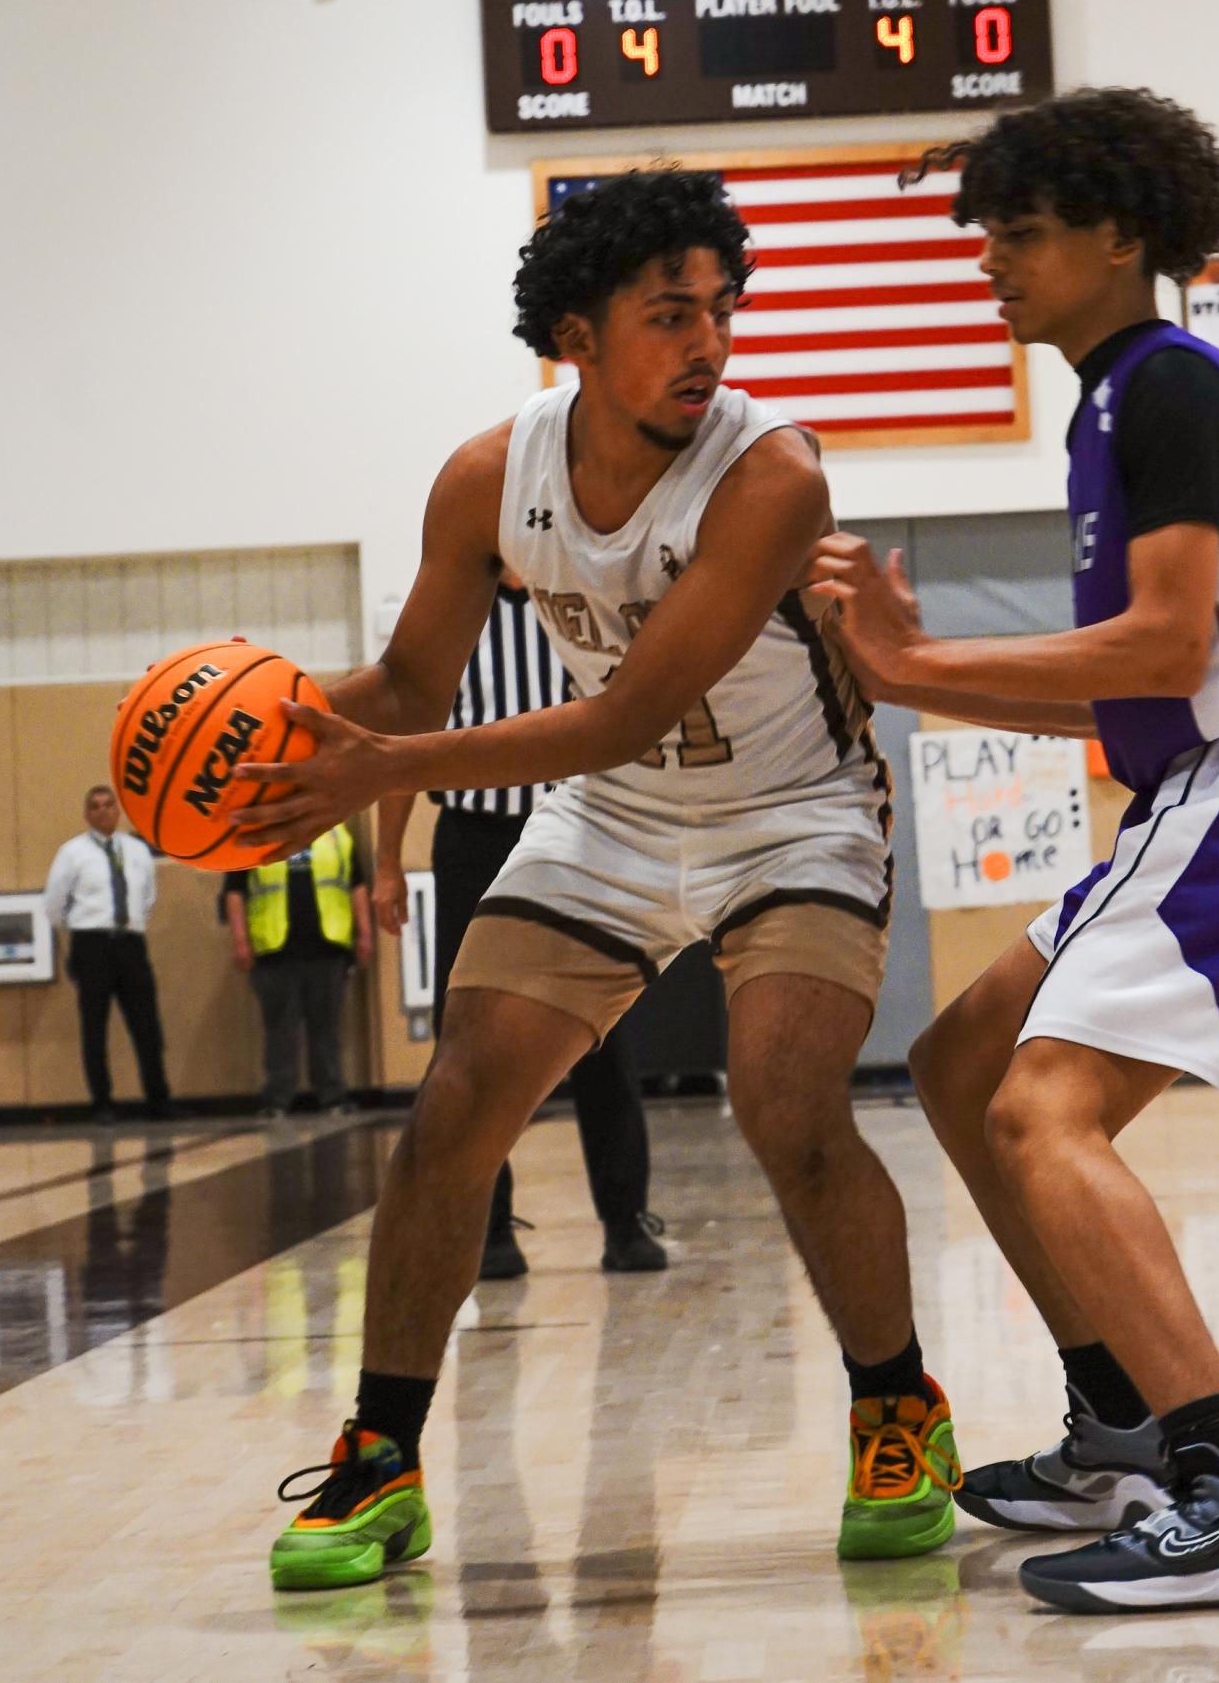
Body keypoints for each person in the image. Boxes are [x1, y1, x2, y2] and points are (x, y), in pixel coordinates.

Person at [238, 168, 962, 1591]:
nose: (711, 341)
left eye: (722, 308)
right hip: (615, 819)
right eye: (669, 313)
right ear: (576, 331)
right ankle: (379, 1462)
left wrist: (377, 769)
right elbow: (398, 683)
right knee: (457, 1104)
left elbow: (625, 705)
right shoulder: (484, 478)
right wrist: (235, 754)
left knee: (785, 1099)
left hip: (794, 812)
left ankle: (897, 1407)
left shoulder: (770, 472)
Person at [809, 88, 1219, 1615]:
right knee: (960, 1064)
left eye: (1028, 232)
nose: (992, 260)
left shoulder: (1168, 384)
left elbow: (1170, 640)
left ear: (1122, 235)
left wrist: (911, 671)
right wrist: (928, 670)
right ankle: (1118, 1424)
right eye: (986, 231)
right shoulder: (1113, 397)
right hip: (1206, 784)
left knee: (1041, 1114)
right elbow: (1141, 683)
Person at [372, 581, 667, 1279]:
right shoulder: (450, 617)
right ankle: (490, 1224)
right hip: (472, 836)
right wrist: (387, 860)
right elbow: (405, 740)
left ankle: (624, 1221)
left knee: (602, 1031)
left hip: (575, 830)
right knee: (468, 1040)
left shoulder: (575, 600)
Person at [222, 824, 372, 1117]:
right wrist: (240, 940)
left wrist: (364, 933)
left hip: (328, 946)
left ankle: (333, 1097)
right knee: (280, 1029)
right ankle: (276, 1100)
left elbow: (357, 885)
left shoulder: (336, 832)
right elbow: (235, 891)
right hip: (275, 949)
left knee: (326, 1027)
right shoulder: (257, 833)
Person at [43, 784, 172, 1124]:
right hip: (92, 944)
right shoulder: (72, 853)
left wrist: (131, 925)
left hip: (130, 943)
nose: (102, 811)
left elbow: (147, 896)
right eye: (95, 806)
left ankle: (158, 1101)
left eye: (108, 805)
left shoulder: (136, 850)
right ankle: (102, 1103)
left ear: (118, 811)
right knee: (94, 1027)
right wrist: (78, 929)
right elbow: (54, 904)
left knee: (146, 1025)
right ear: (87, 814)